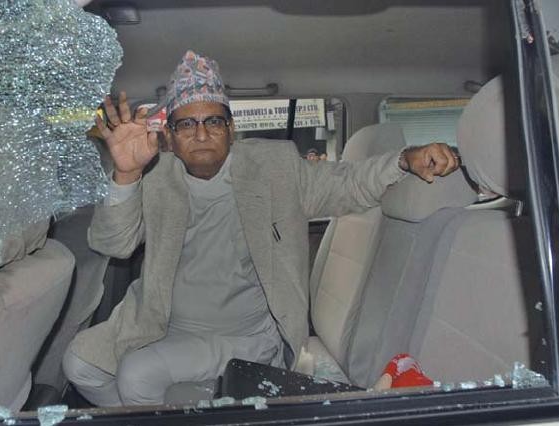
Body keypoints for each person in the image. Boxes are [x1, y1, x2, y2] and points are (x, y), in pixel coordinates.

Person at [62, 50, 460, 407]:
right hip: (162, 324)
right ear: (169, 135)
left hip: (248, 335)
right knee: (79, 364)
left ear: (231, 129)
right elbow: (114, 244)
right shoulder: (154, 176)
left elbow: (348, 184)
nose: (201, 134)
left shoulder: (274, 167)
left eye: (213, 121)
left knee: (137, 375)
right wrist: (126, 174)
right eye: (186, 124)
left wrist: (403, 160)